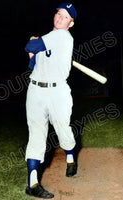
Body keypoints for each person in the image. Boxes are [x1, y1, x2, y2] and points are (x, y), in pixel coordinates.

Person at [24, 2, 77, 199]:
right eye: (58, 13)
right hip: (36, 90)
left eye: (65, 17)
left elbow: (31, 45)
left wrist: (32, 41)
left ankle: (70, 158)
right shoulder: (49, 38)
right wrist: (33, 52)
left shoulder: (63, 36)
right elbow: (33, 64)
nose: (59, 18)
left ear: (70, 24)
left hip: (58, 92)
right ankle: (33, 183)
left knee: (63, 129)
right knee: (36, 134)